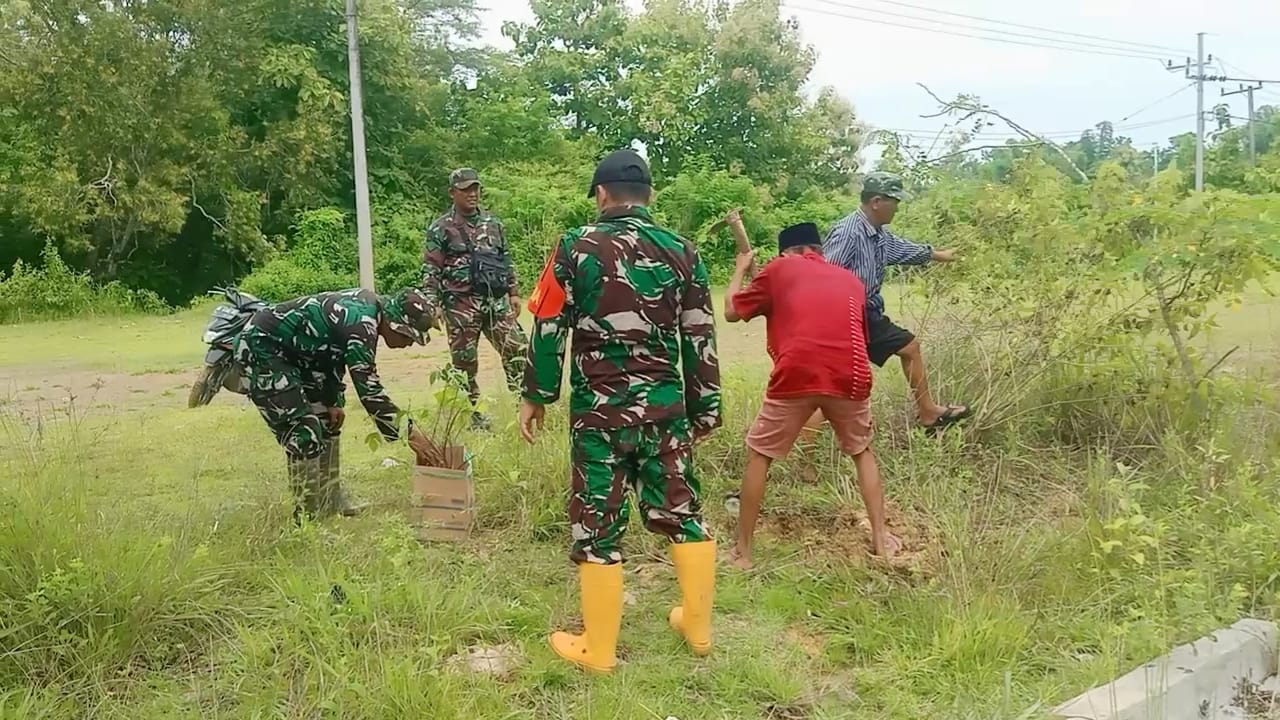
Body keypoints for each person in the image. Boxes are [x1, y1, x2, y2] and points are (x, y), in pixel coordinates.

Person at [519, 149, 722, 674]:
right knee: (683, 514)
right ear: (650, 195)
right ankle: (698, 630)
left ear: (601, 195)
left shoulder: (574, 247)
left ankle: (599, 650)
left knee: (597, 526)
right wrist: (704, 409)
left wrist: (537, 395)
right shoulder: (685, 251)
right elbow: (699, 334)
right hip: (665, 412)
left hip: (600, 418)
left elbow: (547, 325)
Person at [723, 218, 898, 569]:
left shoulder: (778, 268)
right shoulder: (850, 280)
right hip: (851, 370)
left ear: (787, 252)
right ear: (818, 250)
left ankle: (743, 553)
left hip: (799, 371)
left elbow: (731, 312)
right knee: (862, 450)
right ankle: (881, 539)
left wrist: (741, 269)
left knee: (760, 454)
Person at [236, 287, 437, 522]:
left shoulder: (370, 313)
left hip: (302, 356)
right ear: (394, 323)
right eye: (408, 336)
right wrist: (413, 435)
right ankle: (308, 520)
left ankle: (330, 500)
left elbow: (331, 351)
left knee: (329, 420)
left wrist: (333, 400)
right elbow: (370, 392)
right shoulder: (362, 323)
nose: (409, 344)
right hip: (263, 348)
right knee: (304, 432)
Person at [822, 171, 971, 432]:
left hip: (868, 314)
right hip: (845, 317)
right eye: (895, 201)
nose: (898, 207)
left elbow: (905, 250)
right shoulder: (848, 232)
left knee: (909, 347)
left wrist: (941, 255)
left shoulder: (879, 234)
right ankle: (808, 454)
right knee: (830, 385)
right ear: (877, 201)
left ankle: (927, 412)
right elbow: (823, 276)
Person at [422, 167, 527, 430]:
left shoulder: (493, 223)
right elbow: (431, 268)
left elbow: (506, 259)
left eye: (475, 188)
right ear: (452, 192)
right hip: (460, 306)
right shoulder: (440, 227)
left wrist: (514, 292)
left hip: (495, 302)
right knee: (464, 364)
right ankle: (474, 416)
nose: (472, 194)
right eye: (466, 189)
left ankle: (523, 405)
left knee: (518, 350)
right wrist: (432, 302)